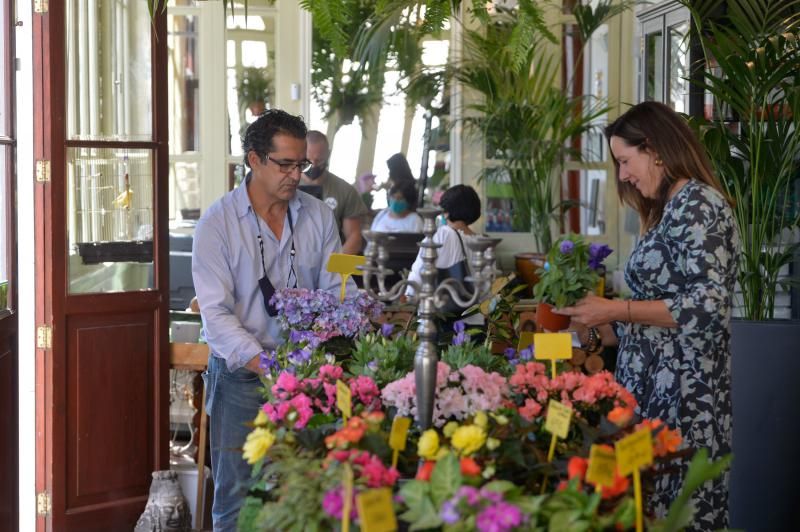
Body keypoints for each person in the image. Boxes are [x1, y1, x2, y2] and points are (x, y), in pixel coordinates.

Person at [555, 101, 739, 530]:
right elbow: (652, 314)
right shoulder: (664, 209)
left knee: (683, 515)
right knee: (645, 512)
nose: (622, 175)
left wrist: (615, 308)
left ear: (654, 148)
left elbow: (707, 308)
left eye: (624, 160)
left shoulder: (699, 206)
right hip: (650, 392)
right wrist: (598, 322)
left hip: (686, 398)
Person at [192, 110, 351, 531]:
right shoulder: (217, 224)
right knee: (238, 497)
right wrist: (269, 367)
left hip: (309, 376)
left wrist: (328, 344)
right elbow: (216, 315)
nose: (296, 175)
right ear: (255, 160)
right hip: (242, 378)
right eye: (286, 164)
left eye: (303, 165)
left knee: (305, 491)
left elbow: (338, 290)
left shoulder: (318, 216)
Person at [406, 184, 485, 330]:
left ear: (446, 211)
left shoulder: (442, 234)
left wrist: (410, 296)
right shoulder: (483, 242)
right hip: (474, 321)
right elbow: (488, 289)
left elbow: (417, 276)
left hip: (439, 320)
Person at [302, 130, 369, 254]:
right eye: (308, 160)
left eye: (319, 160)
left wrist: (332, 266)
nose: (314, 165)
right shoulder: (286, 186)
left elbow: (354, 237)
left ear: (328, 155)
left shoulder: (344, 191)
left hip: (330, 257)